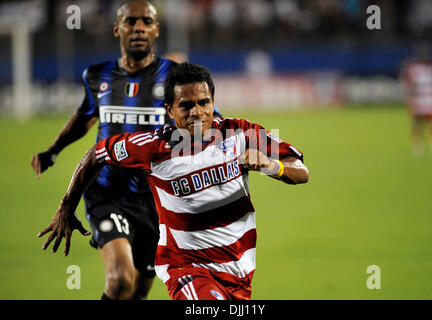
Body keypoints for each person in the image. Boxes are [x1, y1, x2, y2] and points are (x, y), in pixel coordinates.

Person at [38, 62, 309, 300]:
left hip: (239, 269)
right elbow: (97, 153)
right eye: (186, 105)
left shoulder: (240, 133)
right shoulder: (153, 147)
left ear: (213, 102)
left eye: (204, 103)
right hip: (187, 269)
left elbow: (300, 170)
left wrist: (271, 165)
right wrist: (66, 206)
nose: (197, 112)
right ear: (169, 109)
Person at [32, 0, 219, 300]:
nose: (139, 28)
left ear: (157, 29)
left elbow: (210, 120)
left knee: (137, 292)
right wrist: (53, 151)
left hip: (157, 199)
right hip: (107, 192)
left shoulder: (177, 78)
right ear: (117, 28)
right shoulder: (97, 76)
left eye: (146, 21)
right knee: (120, 279)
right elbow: (85, 116)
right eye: (131, 22)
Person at [401, 44, 432, 156]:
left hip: (423, 98)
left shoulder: (413, 68)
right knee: (428, 123)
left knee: (425, 123)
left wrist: (409, 99)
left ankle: (421, 148)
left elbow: (408, 84)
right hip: (429, 98)